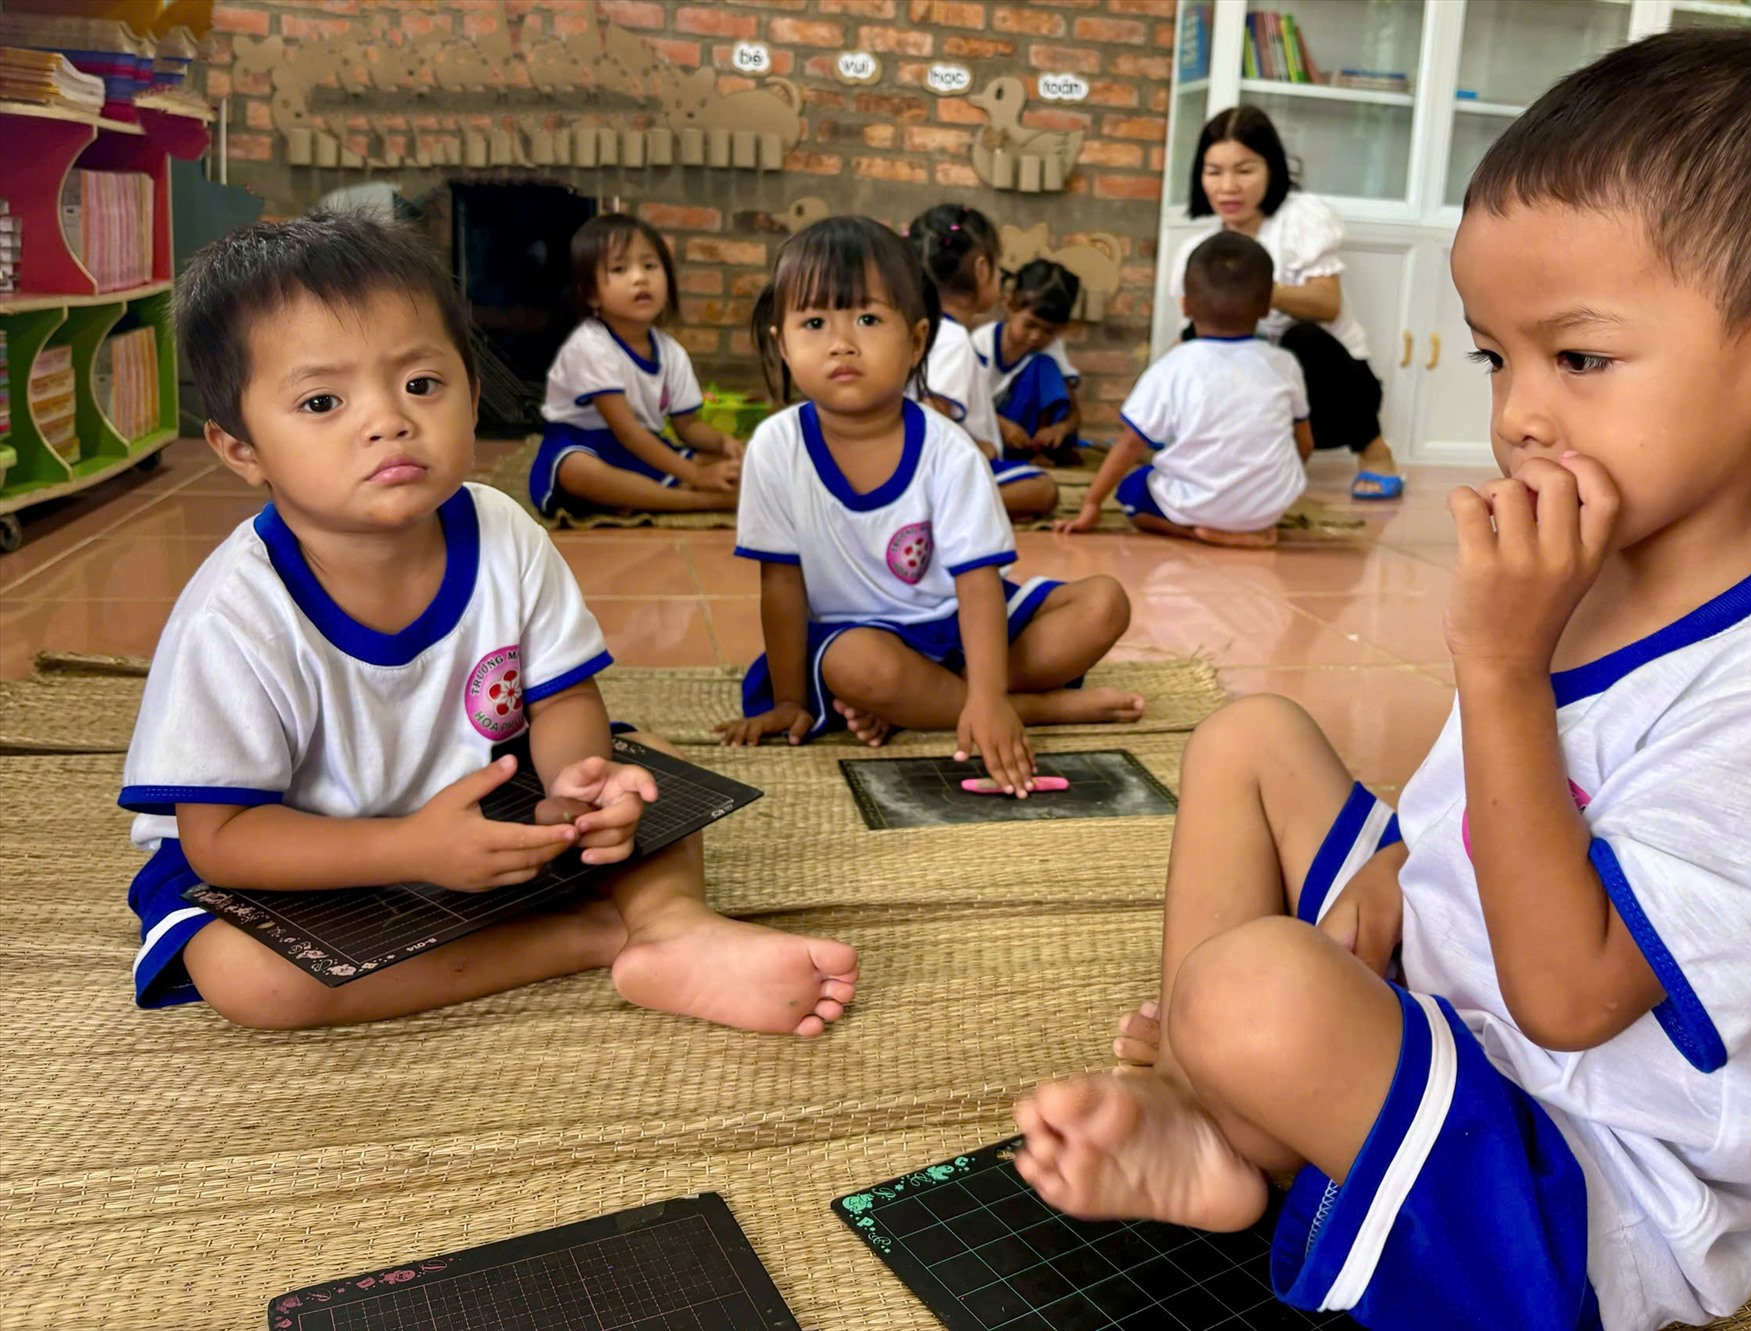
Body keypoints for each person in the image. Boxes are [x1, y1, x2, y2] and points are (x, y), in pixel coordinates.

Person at [1014, 29, 1751, 1331]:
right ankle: (1221, 1119)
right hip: (1460, 1013)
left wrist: (1499, 664)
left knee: (1252, 986)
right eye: (1500, 358)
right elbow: (1484, 806)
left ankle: (1249, 1082)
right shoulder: (1596, 564)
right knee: (1250, 738)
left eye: (1580, 358)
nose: (1520, 414)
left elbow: (1572, 994)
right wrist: (1408, 865)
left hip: (1589, 1185)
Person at [126, 212, 858, 1035]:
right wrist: (407, 849)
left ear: (473, 394)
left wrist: (574, 784)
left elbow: (563, 700)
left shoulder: (502, 531)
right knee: (251, 980)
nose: (388, 420)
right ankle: (606, 933)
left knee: (650, 767)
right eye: (322, 400)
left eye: (421, 384)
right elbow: (222, 838)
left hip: (488, 817)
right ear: (240, 448)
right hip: (307, 860)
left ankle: (673, 927)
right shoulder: (234, 615)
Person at [716, 216, 1140, 786]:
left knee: (1105, 603)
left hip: (956, 623)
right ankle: (1038, 707)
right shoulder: (775, 445)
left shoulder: (949, 448)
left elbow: (978, 583)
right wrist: (791, 701)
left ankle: (946, 705)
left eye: (867, 318)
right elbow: (782, 584)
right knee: (859, 665)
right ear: (783, 346)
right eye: (814, 322)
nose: (841, 342)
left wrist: (988, 697)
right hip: (859, 641)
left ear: (916, 340)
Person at [1171, 105, 1400, 500]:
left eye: (1244, 170)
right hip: (1256, 379)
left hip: (1330, 383)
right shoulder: (1197, 248)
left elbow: (1327, 304)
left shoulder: (1302, 217)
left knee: (1303, 338)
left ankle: (1375, 452)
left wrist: (1249, 290)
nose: (1228, 187)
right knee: (1192, 341)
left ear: (1272, 169)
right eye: (1214, 172)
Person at [1058, 233, 1310, 548]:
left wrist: (1092, 504)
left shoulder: (1173, 366)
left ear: (1185, 305)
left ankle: (1199, 533)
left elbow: (1130, 443)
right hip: (1266, 509)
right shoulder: (1283, 363)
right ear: (1267, 307)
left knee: (1133, 490)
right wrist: (1267, 486)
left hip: (1198, 506)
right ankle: (1247, 528)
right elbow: (1305, 443)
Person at [528, 213, 743, 517]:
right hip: (583, 442)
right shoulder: (590, 346)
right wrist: (695, 476)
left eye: (650, 266)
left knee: (739, 463)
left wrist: (724, 443)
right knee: (577, 471)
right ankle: (701, 501)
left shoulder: (671, 352)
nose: (640, 278)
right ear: (591, 294)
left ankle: (641, 494)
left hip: (645, 445)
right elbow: (627, 431)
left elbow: (689, 426)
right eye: (620, 268)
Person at [905, 204, 1060, 521]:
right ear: (981, 270)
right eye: (998, 266)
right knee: (1042, 489)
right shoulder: (950, 339)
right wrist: (978, 449)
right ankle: (932, 509)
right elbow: (932, 417)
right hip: (942, 473)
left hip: (921, 465)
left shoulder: (918, 327)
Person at [974, 259, 1085, 468]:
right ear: (1008, 305)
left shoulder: (1050, 349)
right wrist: (1003, 426)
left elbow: (1074, 414)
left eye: (1049, 331)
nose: (1036, 337)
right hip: (990, 427)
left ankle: (1040, 451)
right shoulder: (983, 343)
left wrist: (1059, 429)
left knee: (1044, 365)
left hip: (1027, 437)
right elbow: (968, 407)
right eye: (1029, 325)